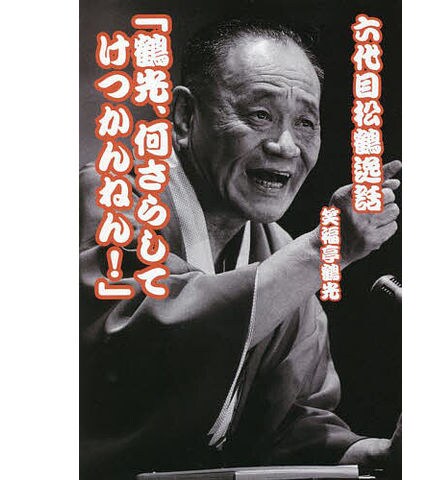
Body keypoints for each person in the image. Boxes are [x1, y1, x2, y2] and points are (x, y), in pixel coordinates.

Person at [80, 19, 401, 480]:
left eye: (305, 123)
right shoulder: (107, 199)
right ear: (185, 117)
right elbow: (137, 348)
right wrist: (325, 249)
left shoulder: (278, 252)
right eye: (260, 115)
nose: (285, 146)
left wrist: (376, 454)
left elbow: (289, 423)